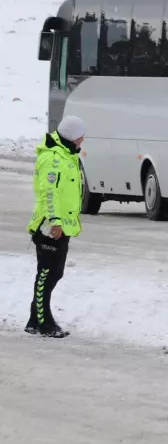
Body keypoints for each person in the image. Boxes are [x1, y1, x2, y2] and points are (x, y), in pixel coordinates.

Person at [25, 115, 86, 338]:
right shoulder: (54, 158)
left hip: (61, 226)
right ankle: (44, 323)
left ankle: (34, 319)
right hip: (49, 227)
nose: (83, 140)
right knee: (47, 274)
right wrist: (55, 222)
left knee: (54, 273)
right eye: (81, 136)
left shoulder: (66, 154)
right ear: (71, 136)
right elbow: (49, 193)